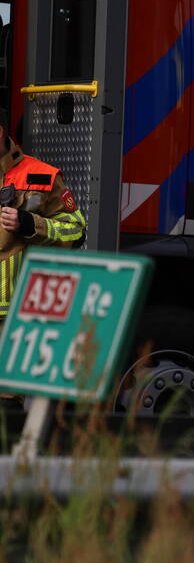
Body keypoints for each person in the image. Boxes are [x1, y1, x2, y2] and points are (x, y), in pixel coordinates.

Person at [0, 109, 87, 414]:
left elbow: (76, 230)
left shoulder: (43, 176)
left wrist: (31, 225)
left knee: (7, 407)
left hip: (18, 317)